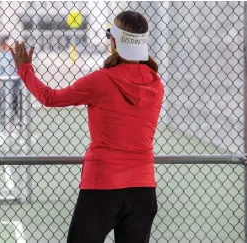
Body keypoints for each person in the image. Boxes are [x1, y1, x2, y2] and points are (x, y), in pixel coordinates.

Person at [10, 10, 164, 243]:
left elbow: (49, 98)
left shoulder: (101, 80)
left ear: (114, 42)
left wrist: (25, 69)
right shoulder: (156, 83)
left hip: (102, 187)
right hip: (143, 190)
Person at [0, 35, 23, 145]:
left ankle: (19, 132)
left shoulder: (15, 56)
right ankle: (4, 132)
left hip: (15, 87)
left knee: (18, 110)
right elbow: (1, 70)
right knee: (3, 108)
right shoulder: (3, 56)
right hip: (5, 87)